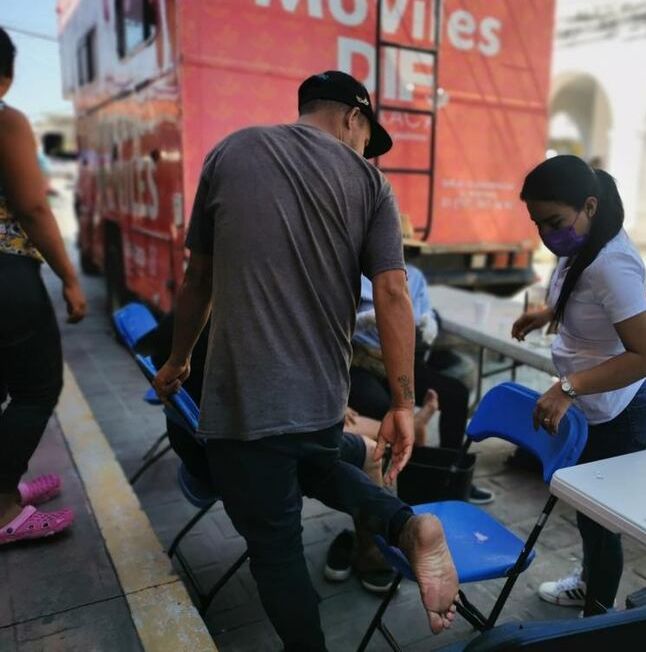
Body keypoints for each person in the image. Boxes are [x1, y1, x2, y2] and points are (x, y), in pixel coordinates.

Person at [152, 70, 458, 651]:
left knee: (274, 546)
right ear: (353, 117)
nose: (367, 150)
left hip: (246, 402)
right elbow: (394, 295)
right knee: (315, 466)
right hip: (320, 402)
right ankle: (406, 523)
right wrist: (402, 403)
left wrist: (178, 360)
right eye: (370, 136)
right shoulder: (371, 184)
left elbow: (199, 279)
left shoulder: (231, 152)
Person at [141, 312, 438, 592]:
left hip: (209, 452)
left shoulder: (184, 322)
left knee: (345, 426)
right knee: (371, 451)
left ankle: (407, 429)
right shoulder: (232, 328)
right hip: (252, 460)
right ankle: (375, 562)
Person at [511, 155, 646, 615]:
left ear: (590, 206)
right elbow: (586, 300)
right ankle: (588, 583)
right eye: (538, 223)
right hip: (596, 407)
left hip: (620, 413)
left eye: (553, 221)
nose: (546, 234)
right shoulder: (583, 244)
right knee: (587, 513)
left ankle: (597, 621)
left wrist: (567, 388)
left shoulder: (612, 264)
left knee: (601, 523)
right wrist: (547, 314)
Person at [0, 27, 86, 546]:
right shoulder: (5, 120)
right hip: (6, 271)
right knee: (36, 389)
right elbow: (32, 207)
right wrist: (70, 278)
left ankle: (6, 487)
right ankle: (4, 506)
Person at [348, 264, 494, 504]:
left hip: (401, 359)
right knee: (382, 407)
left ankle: (450, 474)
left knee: (455, 393)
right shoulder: (351, 273)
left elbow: (425, 312)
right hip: (360, 361)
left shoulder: (413, 275)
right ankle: (400, 483)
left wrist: (429, 323)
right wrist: (364, 321)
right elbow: (327, 327)